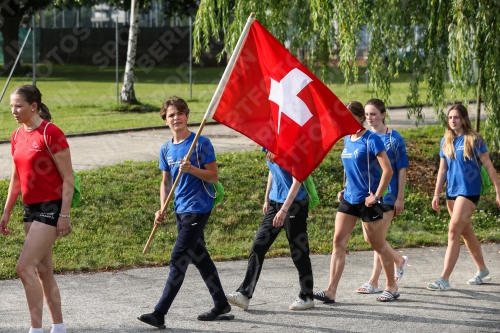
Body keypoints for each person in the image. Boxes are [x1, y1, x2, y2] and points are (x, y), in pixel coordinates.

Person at [138, 96, 231, 329]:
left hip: (198, 208)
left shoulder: (200, 143)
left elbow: (213, 176)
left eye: (180, 113)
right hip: (180, 208)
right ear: (165, 120)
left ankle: (159, 313)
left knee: (178, 258)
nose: (176, 118)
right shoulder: (166, 148)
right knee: (200, 257)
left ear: (187, 116)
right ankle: (221, 303)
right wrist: (162, 208)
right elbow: (165, 182)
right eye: (171, 115)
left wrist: (192, 170)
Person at [1, 85, 74, 333]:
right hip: (29, 209)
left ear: (33, 106)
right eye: (11, 105)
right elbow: (17, 179)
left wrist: (64, 215)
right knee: (44, 272)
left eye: (18, 105)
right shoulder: (16, 135)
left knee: (24, 268)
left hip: (51, 208)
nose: (13, 110)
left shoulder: (50, 133)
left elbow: (69, 178)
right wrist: (7, 210)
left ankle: (35, 329)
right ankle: (59, 327)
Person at [314, 101, 400, 303]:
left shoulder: (372, 140)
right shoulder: (347, 140)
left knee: (378, 244)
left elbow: (388, 170)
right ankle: (331, 290)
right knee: (338, 242)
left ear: (361, 118)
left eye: (349, 117)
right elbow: (351, 169)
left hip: (368, 201)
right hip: (350, 198)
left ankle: (391, 286)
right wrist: (344, 188)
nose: (344, 121)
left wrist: (376, 196)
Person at [225, 149, 314, 311]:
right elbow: (272, 171)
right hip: (275, 202)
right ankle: (244, 295)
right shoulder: (269, 145)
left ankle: (307, 295)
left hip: (294, 205)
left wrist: (284, 210)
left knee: (298, 250)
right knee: (258, 246)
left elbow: (297, 181)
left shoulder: (293, 147)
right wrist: (267, 198)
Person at [428, 104, 499, 290]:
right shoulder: (446, 140)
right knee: (466, 232)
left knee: (453, 231)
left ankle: (444, 278)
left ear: (464, 119)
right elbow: (442, 169)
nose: (453, 121)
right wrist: (437, 193)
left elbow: (489, 166)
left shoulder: (474, 139)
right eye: (450, 117)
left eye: (457, 117)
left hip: (469, 191)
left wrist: (498, 190)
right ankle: (482, 271)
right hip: (452, 191)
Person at [356, 99, 410, 294]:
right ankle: (398, 260)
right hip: (367, 196)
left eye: (374, 114)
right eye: (367, 115)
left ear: (383, 114)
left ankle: (374, 281)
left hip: (388, 196)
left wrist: (400, 198)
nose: (370, 118)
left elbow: (401, 170)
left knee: (377, 238)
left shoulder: (395, 139)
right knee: (370, 238)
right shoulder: (365, 138)